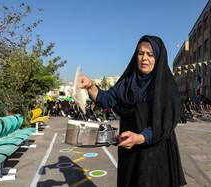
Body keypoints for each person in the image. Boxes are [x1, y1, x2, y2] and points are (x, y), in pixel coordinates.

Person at [80, 35, 186, 187]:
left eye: (150, 55)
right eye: (141, 53)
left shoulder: (165, 87)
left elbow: (165, 122)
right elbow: (107, 99)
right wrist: (90, 86)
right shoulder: (128, 82)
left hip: (155, 152)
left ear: (158, 58)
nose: (144, 58)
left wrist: (141, 137)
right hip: (129, 149)